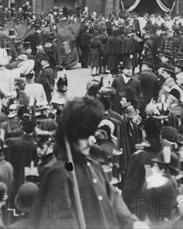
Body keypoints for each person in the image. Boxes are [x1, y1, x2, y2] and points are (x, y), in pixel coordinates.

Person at [32, 98, 138, 228]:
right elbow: (60, 222)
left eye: (91, 134)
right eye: (85, 136)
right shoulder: (60, 174)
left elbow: (112, 197)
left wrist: (132, 223)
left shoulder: (94, 165)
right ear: (71, 137)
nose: (91, 141)